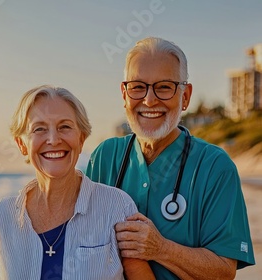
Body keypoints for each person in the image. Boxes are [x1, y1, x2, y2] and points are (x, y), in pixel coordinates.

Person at [86, 37, 256, 279]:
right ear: (124, 95)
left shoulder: (215, 167)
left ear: (185, 96)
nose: (149, 100)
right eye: (137, 86)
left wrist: (161, 249)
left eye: (164, 86)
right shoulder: (105, 157)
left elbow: (223, 271)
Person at [0, 85, 154, 279]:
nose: (53, 139)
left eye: (64, 127)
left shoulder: (117, 206)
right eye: (39, 129)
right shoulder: (0, 218)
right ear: (22, 144)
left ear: (81, 138)